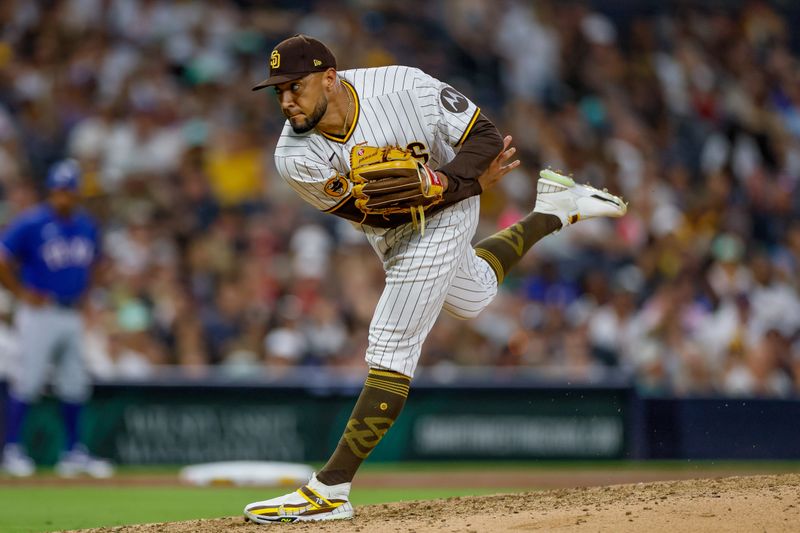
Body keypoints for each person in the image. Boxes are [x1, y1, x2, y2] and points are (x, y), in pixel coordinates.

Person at [243, 35, 626, 523]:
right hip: (394, 230)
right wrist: (447, 186)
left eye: (294, 86)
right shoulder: (293, 156)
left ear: (330, 78)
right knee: (472, 296)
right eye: (277, 91)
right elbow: (378, 218)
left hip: (451, 200)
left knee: (390, 340)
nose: (286, 100)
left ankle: (330, 487)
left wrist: (446, 182)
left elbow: (486, 140)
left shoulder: (402, 86)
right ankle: (552, 210)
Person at [0, 160, 113, 478]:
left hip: (71, 312)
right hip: (39, 312)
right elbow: (2, 257)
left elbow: (95, 265)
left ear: (76, 193)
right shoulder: (32, 222)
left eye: (67, 190)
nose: (61, 195)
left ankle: (74, 452)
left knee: (75, 383)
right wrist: (21, 293)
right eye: (58, 189)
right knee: (29, 380)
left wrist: (87, 296)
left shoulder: (86, 224)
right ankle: (11, 450)